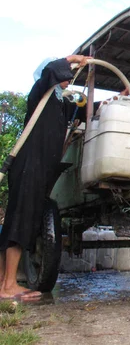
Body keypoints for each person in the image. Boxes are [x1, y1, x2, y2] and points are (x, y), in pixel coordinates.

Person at [0, 55, 91, 300]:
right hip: (29, 164)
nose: (67, 79)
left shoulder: (60, 104)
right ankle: (8, 286)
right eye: (64, 75)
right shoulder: (39, 93)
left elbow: (84, 111)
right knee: (20, 221)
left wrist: (117, 97)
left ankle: (4, 283)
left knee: (24, 221)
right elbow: (52, 70)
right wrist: (71, 59)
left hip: (41, 169)